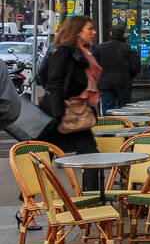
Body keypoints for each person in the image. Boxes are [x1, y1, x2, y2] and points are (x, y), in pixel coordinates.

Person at [40, 16, 103, 186]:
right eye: (89, 28)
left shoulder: (82, 52)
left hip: (74, 112)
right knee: (45, 158)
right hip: (62, 113)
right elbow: (54, 82)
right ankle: (28, 199)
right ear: (77, 31)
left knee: (47, 157)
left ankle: (91, 199)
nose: (94, 32)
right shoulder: (64, 51)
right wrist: (58, 113)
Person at [95, 26, 139, 112]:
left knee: (107, 111)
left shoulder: (100, 47)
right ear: (123, 35)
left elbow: (95, 66)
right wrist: (129, 77)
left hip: (105, 85)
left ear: (110, 34)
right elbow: (135, 67)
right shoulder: (127, 48)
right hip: (123, 84)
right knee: (125, 112)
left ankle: (108, 125)